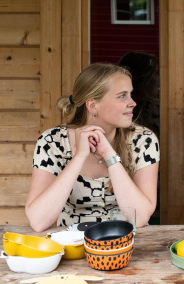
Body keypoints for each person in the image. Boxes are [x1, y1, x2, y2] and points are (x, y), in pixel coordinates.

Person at [26, 63, 159, 232]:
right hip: (72, 244)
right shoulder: (52, 142)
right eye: (122, 96)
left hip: (126, 243)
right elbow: (38, 221)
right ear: (93, 106)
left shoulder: (143, 141)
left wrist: (109, 155)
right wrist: (79, 157)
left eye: (130, 94)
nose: (132, 103)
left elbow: (140, 217)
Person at [117, 52, 160, 136]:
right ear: (143, 78)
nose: (160, 78)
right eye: (156, 73)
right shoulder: (120, 111)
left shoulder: (156, 109)